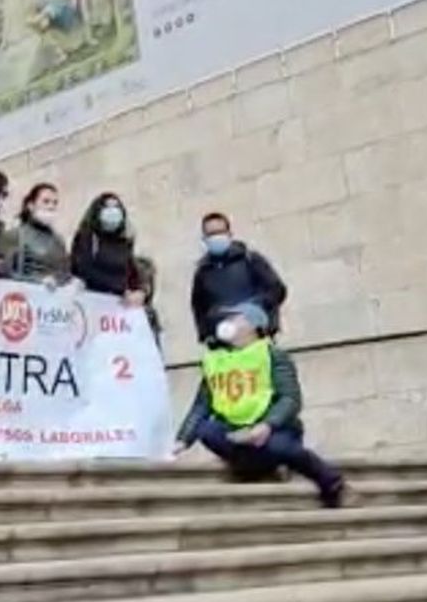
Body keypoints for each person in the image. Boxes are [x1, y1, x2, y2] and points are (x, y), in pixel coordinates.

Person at [174, 303, 349, 508]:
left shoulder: (273, 356)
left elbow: (290, 399)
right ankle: (264, 467)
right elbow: (202, 405)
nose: (227, 324)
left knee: (282, 447)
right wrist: (183, 440)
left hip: (273, 430)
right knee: (208, 431)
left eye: (235, 319)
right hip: (235, 431)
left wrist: (266, 425)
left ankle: (332, 483)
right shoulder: (218, 362)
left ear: (253, 325)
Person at [191, 212, 288, 342]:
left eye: (220, 232)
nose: (216, 237)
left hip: (257, 338)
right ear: (204, 239)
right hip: (222, 345)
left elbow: (277, 290)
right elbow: (199, 309)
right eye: (211, 234)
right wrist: (207, 333)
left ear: (229, 234)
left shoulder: (250, 260)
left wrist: (254, 307)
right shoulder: (203, 273)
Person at [70, 192, 145, 305]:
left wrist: (139, 292)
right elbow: (83, 270)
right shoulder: (87, 238)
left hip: (120, 307)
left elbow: (132, 274)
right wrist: (119, 288)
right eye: (108, 207)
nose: (113, 211)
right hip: (92, 301)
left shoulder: (124, 242)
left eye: (116, 207)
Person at [1, 182, 71, 286]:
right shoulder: (15, 235)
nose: (51, 207)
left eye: (55, 203)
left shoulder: (59, 241)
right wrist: (37, 281)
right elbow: (4, 272)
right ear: (31, 206)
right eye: (46, 202)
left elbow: (65, 274)